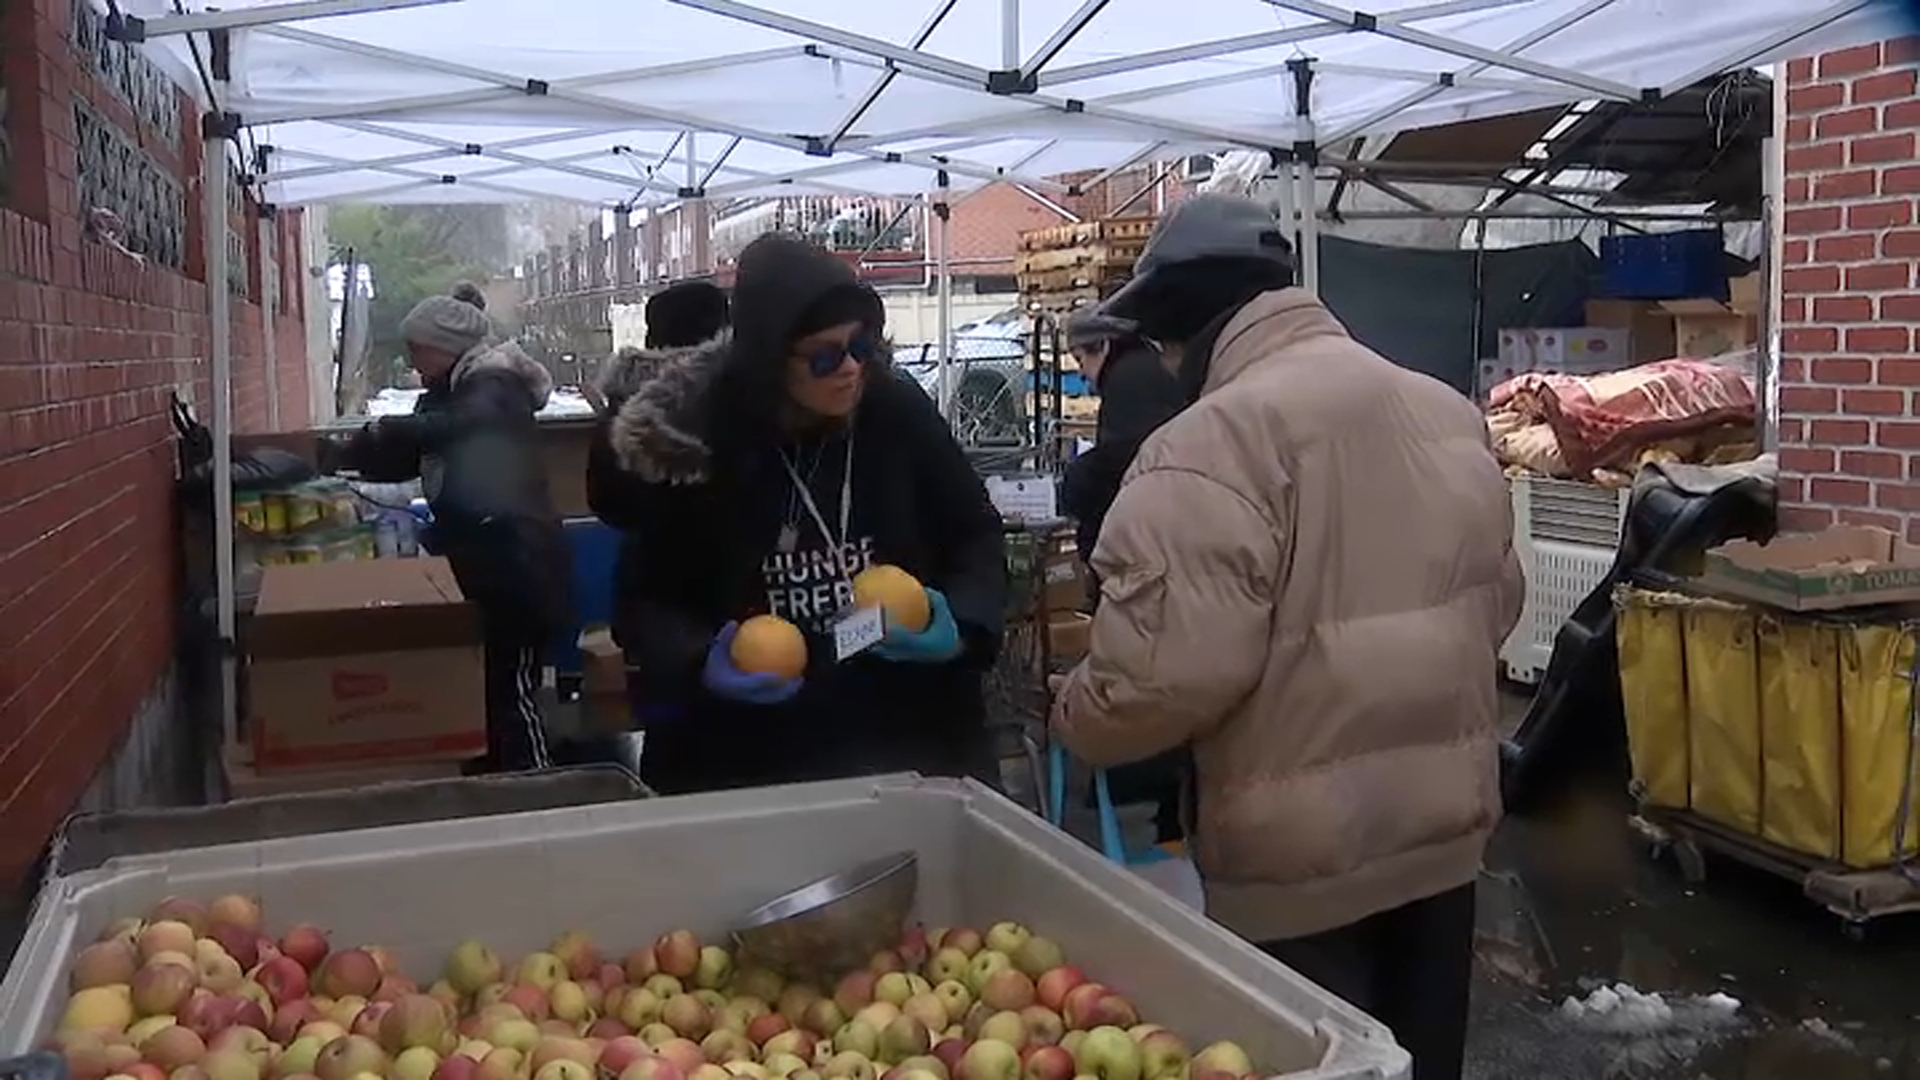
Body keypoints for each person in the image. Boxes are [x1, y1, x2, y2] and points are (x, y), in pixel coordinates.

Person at [1048, 195, 1524, 1080]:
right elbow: (1499, 603)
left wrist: (1071, 711)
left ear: (1180, 330)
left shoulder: (1208, 444)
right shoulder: (1445, 413)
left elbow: (1162, 679)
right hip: (1442, 842)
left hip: (1297, 875)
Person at [598, 234, 1008, 795]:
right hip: (752, 755)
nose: (849, 369)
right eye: (823, 355)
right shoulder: (700, 441)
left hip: (904, 735)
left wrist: (961, 619)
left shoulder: (894, 412)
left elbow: (975, 533)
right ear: (770, 358)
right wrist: (700, 657)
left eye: (860, 345)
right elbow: (645, 597)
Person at [330, 291, 570, 774]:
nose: (412, 359)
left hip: (518, 566)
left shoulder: (493, 385)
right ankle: (495, 784)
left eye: (419, 348)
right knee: (485, 690)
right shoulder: (447, 392)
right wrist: (341, 459)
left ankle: (538, 792)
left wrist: (394, 427)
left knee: (512, 692)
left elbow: (463, 426)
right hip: (481, 562)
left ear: (446, 347)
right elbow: (414, 453)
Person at [1056, 307, 1189, 849]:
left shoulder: (1133, 380)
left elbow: (1128, 457)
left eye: (1082, 358)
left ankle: (1162, 814)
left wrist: (1078, 484)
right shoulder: (1151, 372)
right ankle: (1168, 820)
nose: (1083, 372)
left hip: (1155, 561)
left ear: (1101, 348)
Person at [587, 280, 732, 728]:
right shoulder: (740, 394)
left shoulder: (625, 404)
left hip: (652, 593)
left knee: (670, 724)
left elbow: (605, 501)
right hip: (739, 591)